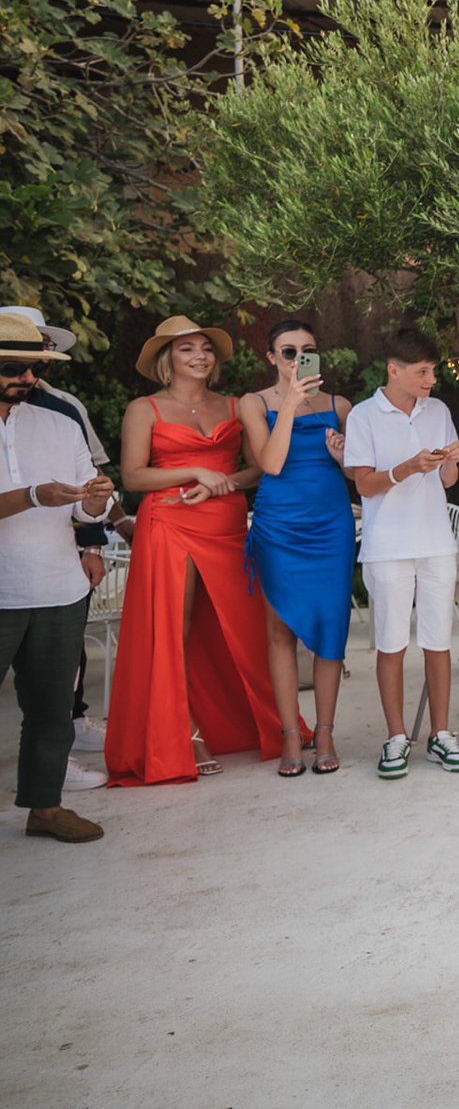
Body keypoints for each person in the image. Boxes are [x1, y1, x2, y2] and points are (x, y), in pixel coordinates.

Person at [106, 317, 285, 784]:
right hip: (169, 521)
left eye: (206, 348)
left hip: (226, 523)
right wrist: (194, 473)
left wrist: (223, 482)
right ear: (168, 358)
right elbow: (133, 477)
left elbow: (258, 468)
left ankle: (261, 721)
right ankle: (184, 732)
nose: (200, 356)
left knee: (241, 626)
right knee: (174, 629)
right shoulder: (144, 408)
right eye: (187, 349)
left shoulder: (234, 405)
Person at [0, 313, 113, 840]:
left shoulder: (61, 423)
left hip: (57, 587)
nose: (26, 378)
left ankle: (44, 809)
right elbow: (38, 496)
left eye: (35, 368)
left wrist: (95, 500)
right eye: (12, 368)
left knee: (51, 710)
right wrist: (31, 496)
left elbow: (86, 510)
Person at [342, 327, 459, 779]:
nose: (431, 380)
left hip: (436, 542)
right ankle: (396, 738)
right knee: (391, 643)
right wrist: (407, 467)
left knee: (438, 641)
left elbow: (449, 481)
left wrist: (453, 458)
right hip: (387, 547)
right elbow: (363, 484)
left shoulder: (438, 410)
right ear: (393, 370)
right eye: (422, 372)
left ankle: (441, 735)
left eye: (433, 371)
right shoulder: (363, 415)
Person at [237, 320, 355, 777]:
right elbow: (270, 463)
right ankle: (290, 733)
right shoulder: (253, 403)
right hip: (280, 527)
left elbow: (358, 472)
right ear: (271, 357)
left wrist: (343, 458)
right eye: (288, 351)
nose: (297, 359)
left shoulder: (339, 405)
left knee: (332, 628)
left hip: (330, 525)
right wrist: (287, 404)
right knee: (281, 631)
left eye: (307, 350)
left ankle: (324, 733)